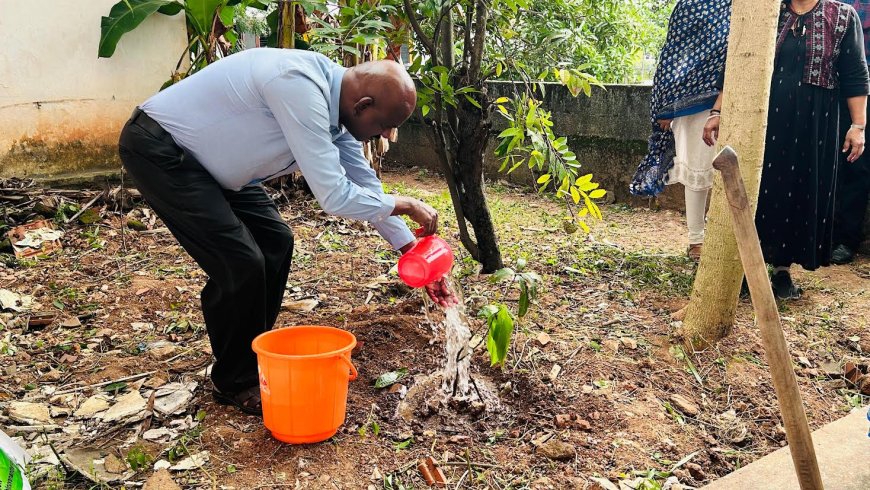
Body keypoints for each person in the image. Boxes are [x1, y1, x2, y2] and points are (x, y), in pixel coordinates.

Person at [118, 48, 458, 415]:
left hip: (219, 167)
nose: (388, 134)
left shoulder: (336, 112)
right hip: (165, 151)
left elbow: (365, 187)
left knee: (277, 242)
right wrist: (405, 204)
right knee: (241, 262)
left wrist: (410, 248)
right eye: (385, 124)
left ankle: (254, 353)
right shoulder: (297, 85)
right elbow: (334, 196)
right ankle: (234, 378)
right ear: (362, 106)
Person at [705, 0, 870, 299]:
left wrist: (858, 126)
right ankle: (741, 268)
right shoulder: (766, 10)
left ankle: (782, 270)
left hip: (815, 125)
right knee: (759, 188)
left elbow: (855, 74)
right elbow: (738, 63)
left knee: (799, 190)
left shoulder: (843, 16)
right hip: (761, 119)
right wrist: (717, 111)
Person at [631, 0, 732, 261]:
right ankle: (696, 240)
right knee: (697, 171)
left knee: (730, 172)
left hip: (738, 97)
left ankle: (723, 238)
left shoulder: (747, 8)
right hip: (693, 105)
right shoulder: (689, 6)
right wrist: (668, 107)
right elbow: (674, 57)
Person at [833, 0, 870, 264]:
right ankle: (826, 235)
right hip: (833, 92)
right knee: (831, 162)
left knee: (858, 165)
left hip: (864, 95)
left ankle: (847, 239)